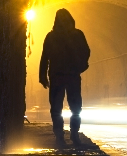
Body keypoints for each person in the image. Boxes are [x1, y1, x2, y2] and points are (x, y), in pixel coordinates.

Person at [39, 8, 90, 146]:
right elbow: (86, 52)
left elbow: (45, 58)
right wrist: (80, 67)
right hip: (73, 76)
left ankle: (60, 136)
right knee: (75, 107)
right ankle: (74, 134)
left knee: (56, 108)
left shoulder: (51, 36)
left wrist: (42, 75)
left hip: (57, 77)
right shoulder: (78, 35)